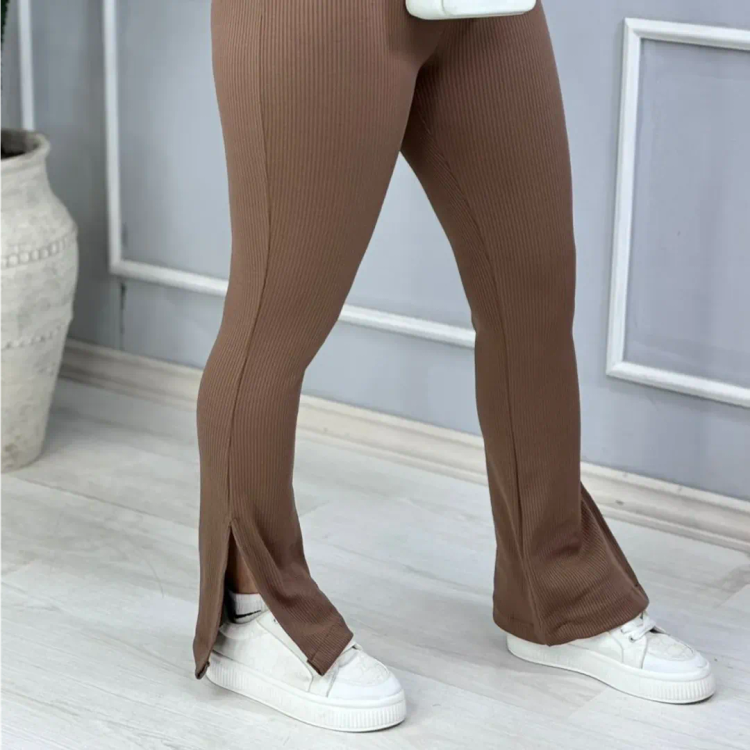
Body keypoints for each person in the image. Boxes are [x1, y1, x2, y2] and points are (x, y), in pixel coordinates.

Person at [193, 0, 715, 732]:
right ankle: (253, 611)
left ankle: (556, 594)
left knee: (532, 287)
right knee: (278, 316)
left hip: (483, 6)